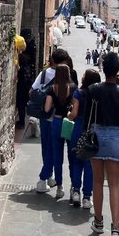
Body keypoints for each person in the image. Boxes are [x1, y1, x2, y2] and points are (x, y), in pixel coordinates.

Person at [84, 52, 119, 236]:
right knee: (114, 184)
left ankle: (98, 222)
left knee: (98, 182)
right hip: (115, 138)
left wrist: (84, 138)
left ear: (104, 70)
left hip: (96, 137)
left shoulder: (93, 90)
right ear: (118, 70)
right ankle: (115, 228)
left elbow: (87, 118)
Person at [31, 48, 72, 193]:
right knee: (57, 150)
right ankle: (46, 177)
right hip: (61, 119)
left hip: (46, 118)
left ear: (52, 60)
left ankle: (46, 176)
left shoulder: (44, 74)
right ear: (65, 61)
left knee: (47, 148)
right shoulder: (68, 75)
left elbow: (32, 91)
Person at [68, 68, 101, 209]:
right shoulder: (98, 95)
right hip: (92, 130)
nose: (82, 77)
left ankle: (76, 191)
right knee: (89, 165)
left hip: (78, 128)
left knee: (77, 160)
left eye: (84, 75)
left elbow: (74, 113)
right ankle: (87, 197)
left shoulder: (78, 93)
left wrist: (68, 115)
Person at [44, 64, 76, 199]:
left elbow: (46, 109)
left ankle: (59, 187)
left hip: (56, 122)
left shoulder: (52, 89)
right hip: (69, 122)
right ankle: (74, 187)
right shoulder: (73, 88)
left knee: (57, 156)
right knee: (72, 156)